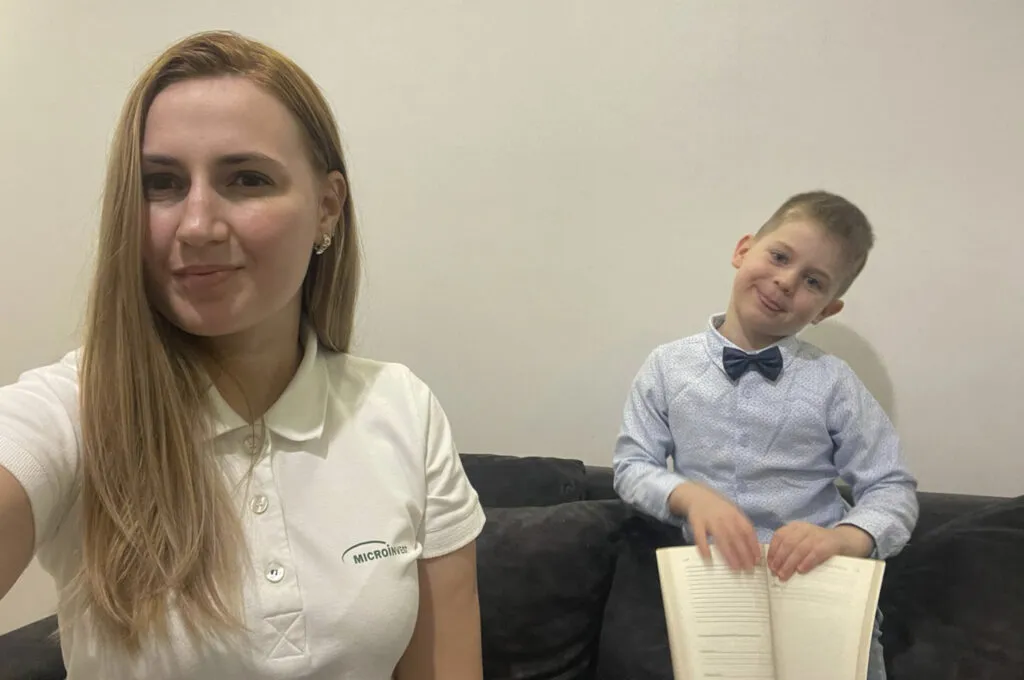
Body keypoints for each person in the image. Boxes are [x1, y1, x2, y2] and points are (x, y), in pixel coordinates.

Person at [0, 30, 485, 679]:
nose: (197, 225)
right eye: (162, 183)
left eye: (247, 179)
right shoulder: (73, 412)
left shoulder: (402, 409)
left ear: (327, 208)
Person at [612, 190, 918, 679]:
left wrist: (845, 539)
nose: (786, 282)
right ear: (743, 250)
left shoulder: (834, 382)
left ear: (826, 310)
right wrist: (689, 497)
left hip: (821, 585)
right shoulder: (666, 367)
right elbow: (632, 466)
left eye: (813, 281)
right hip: (713, 586)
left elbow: (891, 488)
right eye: (779, 256)